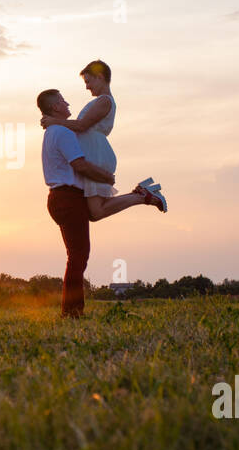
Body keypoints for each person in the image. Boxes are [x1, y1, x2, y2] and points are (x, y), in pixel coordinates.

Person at [37, 86, 161, 318]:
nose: (67, 104)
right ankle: (72, 312)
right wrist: (106, 176)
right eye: (63, 101)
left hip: (60, 197)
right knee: (78, 256)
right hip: (68, 197)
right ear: (55, 107)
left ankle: (141, 196)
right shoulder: (62, 133)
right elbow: (80, 164)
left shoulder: (52, 131)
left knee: (94, 215)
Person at [40, 60, 167, 219]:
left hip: (96, 155)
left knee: (97, 211)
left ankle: (142, 196)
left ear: (99, 77)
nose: (87, 87)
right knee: (95, 212)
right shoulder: (101, 100)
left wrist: (54, 121)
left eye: (88, 81)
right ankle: (141, 195)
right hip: (95, 152)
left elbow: (82, 125)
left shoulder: (104, 100)